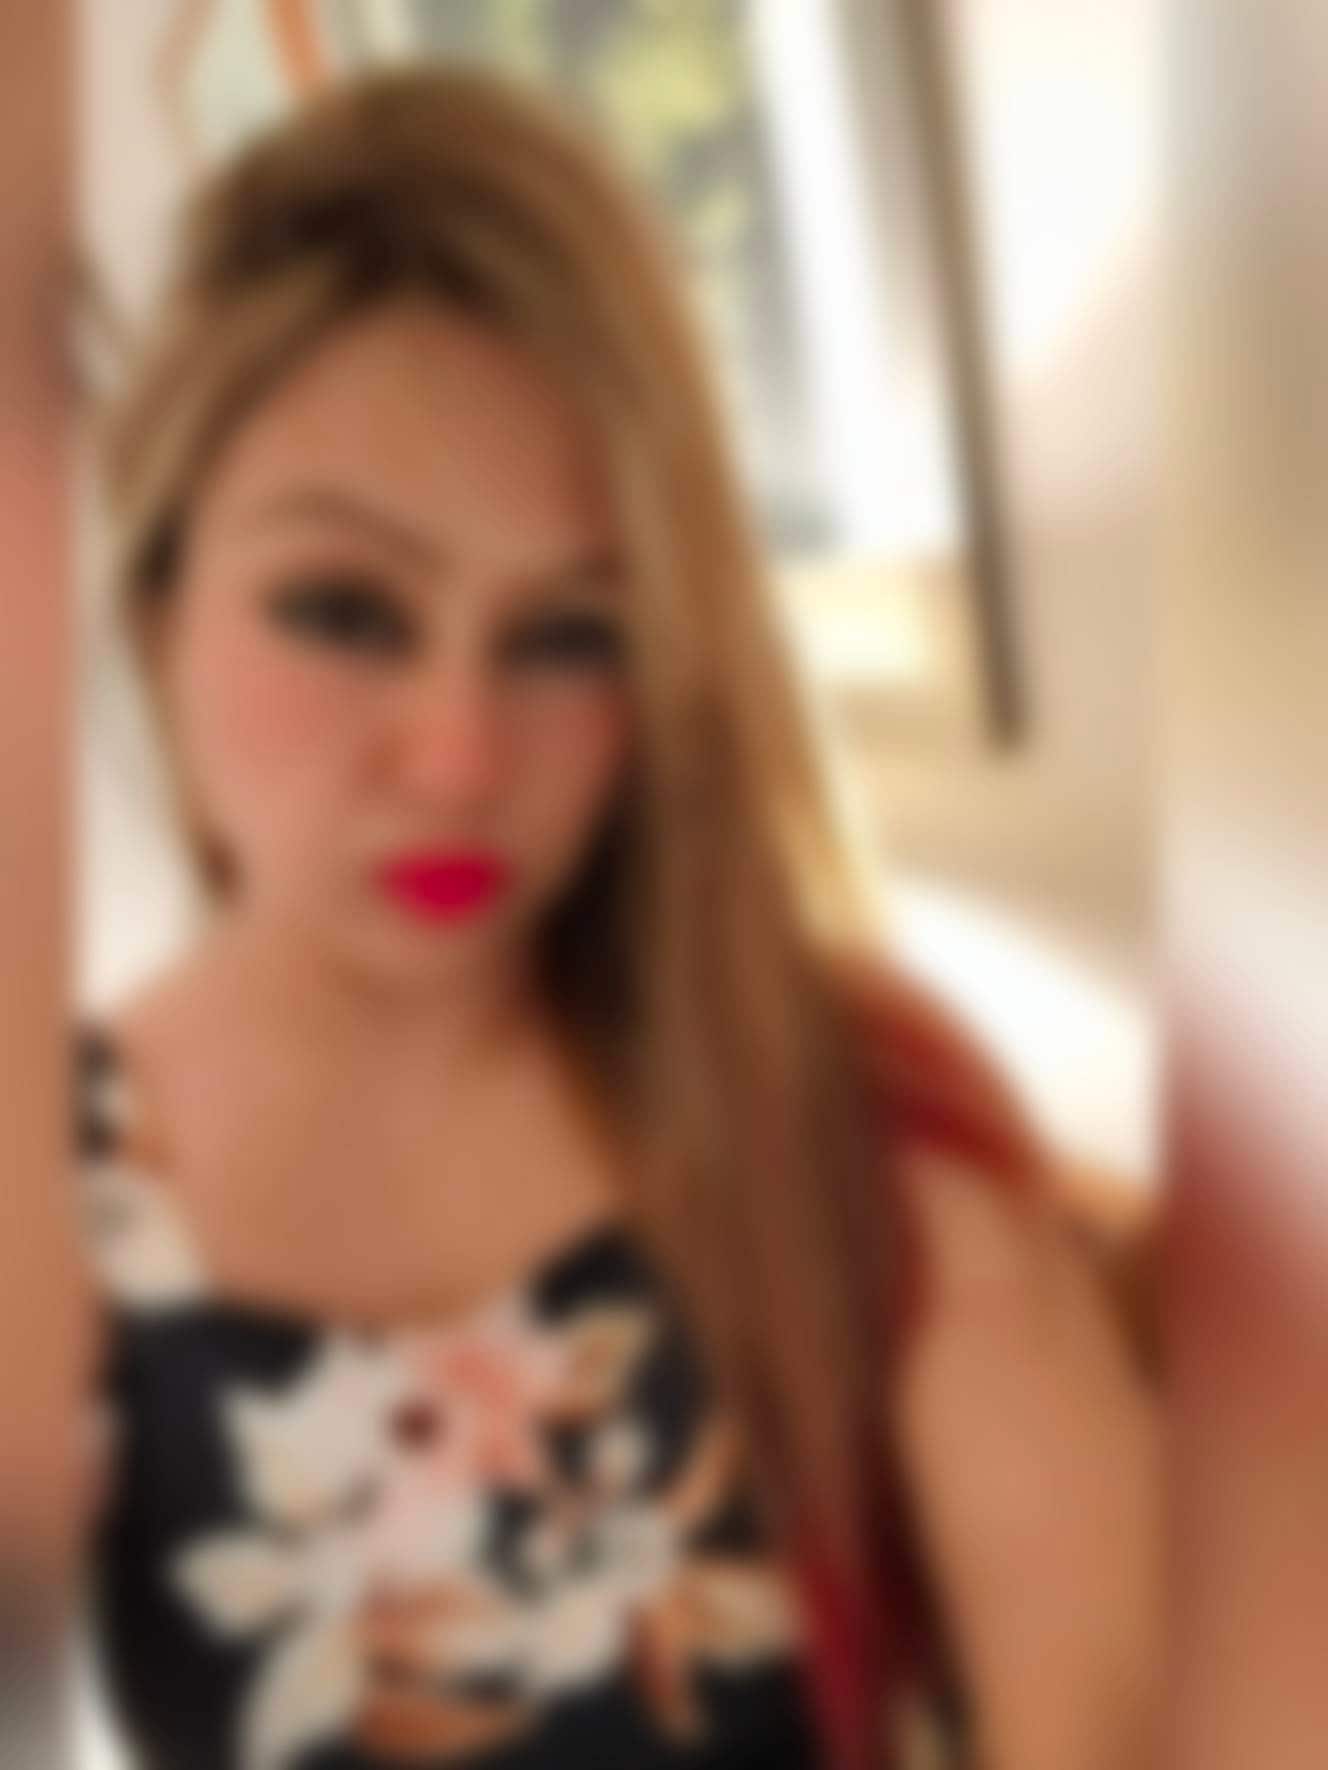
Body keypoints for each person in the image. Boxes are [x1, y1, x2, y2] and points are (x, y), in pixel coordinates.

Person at [75, 67, 1159, 1770]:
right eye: (346, 608)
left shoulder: (844, 1098)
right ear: (158, 609)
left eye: (571, 633)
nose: (458, 753)